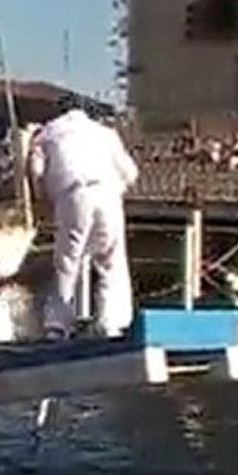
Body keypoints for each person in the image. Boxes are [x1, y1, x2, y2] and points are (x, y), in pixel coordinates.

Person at [29, 94, 138, 340]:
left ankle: (58, 325)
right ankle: (113, 323)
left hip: (72, 194)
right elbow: (131, 173)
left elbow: (36, 174)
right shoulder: (105, 133)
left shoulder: (46, 134)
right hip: (108, 193)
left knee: (68, 261)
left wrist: (43, 202)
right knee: (112, 260)